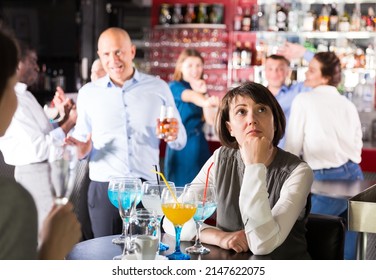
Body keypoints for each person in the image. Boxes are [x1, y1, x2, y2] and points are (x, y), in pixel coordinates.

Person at [165, 81, 314, 259]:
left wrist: (254, 166)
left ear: (274, 122)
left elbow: (262, 244)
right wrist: (221, 238)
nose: (252, 119)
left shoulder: (299, 172)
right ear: (230, 128)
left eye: (261, 110)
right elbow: (172, 220)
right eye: (241, 112)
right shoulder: (220, 159)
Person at [65, 27, 187, 238]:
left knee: (148, 255)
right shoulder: (88, 94)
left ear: (131, 51)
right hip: (106, 189)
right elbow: (81, 144)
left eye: (118, 52)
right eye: (106, 54)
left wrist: (174, 135)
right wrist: (81, 150)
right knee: (105, 255)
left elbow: (180, 140)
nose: (113, 59)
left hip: (148, 188)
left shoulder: (158, 87)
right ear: (99, 56)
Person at [0, 28, 81, 260]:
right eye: (32, 61)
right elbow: (37, 147)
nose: (37, 67)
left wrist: (62, 121)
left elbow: (43, 133)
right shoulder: (12, 200)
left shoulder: (24, 95)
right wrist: (69, 127)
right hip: (34, 173)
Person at [284, 52, 363, 260]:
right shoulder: (348, 104)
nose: (306, 74)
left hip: (324, 180)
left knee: (306, 242)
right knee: (349, 251)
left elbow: (292, 146)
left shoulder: (304, 99)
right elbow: (357, 146)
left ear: (326, 77)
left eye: (311, 70)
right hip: (354, 176)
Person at [164, 48, 219, 186]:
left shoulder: (201, 89)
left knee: (201, 191)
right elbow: (190, 96)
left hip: (199, 143)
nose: (195, 70)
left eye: (198, 65)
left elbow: (211, 120)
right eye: (190, 65)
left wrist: (205, 92)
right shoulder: (174, 86)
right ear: (181, 67)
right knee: (179, 191)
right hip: (180, 144)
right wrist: (206, 100)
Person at [264, 51, 312, 148]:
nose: (274, 73)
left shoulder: (297, 91)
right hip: (261, 154)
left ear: (287, 72)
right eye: (270, 68)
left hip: (289, 155)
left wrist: (304, 52)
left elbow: (325, 71)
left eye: (280, 69)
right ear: (264, 71)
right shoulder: (256, 97)